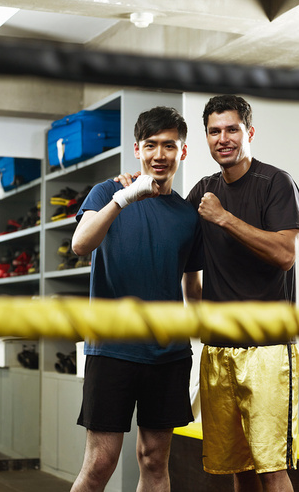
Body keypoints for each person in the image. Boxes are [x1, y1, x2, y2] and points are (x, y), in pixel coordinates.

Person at [70, 106, 203, 492]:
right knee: (100, 462)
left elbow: (192, 288)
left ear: (182, 152)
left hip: (169, 354)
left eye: (169, 145)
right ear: (137, 149)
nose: (159, 154)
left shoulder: (187, 215)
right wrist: (124, 198)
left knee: (154, 461)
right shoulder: (107, 192)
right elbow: (80, 244)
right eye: (151, 145)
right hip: (112, 350)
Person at [184, 95, 299, 492]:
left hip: (267, 348)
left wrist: (224, 218)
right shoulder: (203, 188)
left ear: (248, 132)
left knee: (271, 467)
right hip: (218, 349)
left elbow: (285, 254)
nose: (223, 139)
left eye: (232, 129)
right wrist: (133, 188)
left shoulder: (275, 183)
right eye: (214, 131)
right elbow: (181, 250)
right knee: (238, 467)